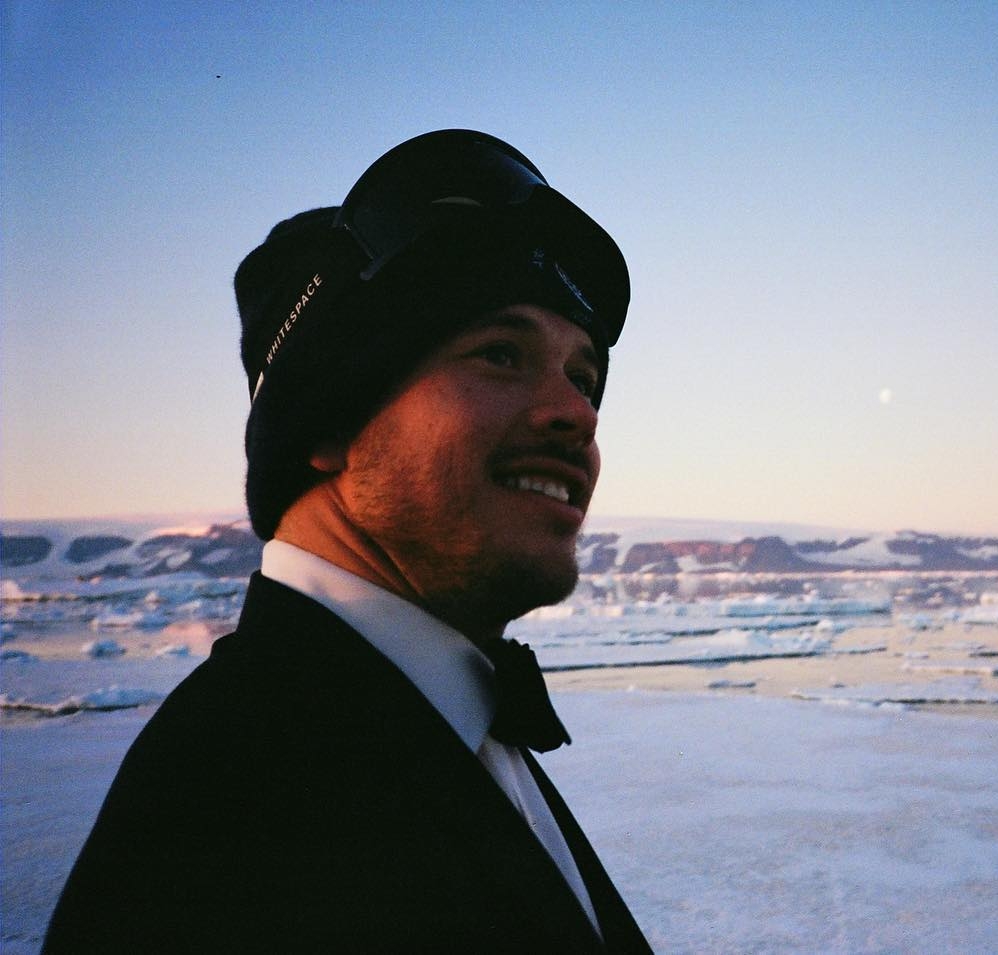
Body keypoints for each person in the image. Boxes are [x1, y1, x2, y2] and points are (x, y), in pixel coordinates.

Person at [44, 130, 652, 953]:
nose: (577, 413)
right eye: (501, 354)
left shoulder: (419, 726)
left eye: (583, 377)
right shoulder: (228, 816)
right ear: (328, 421)